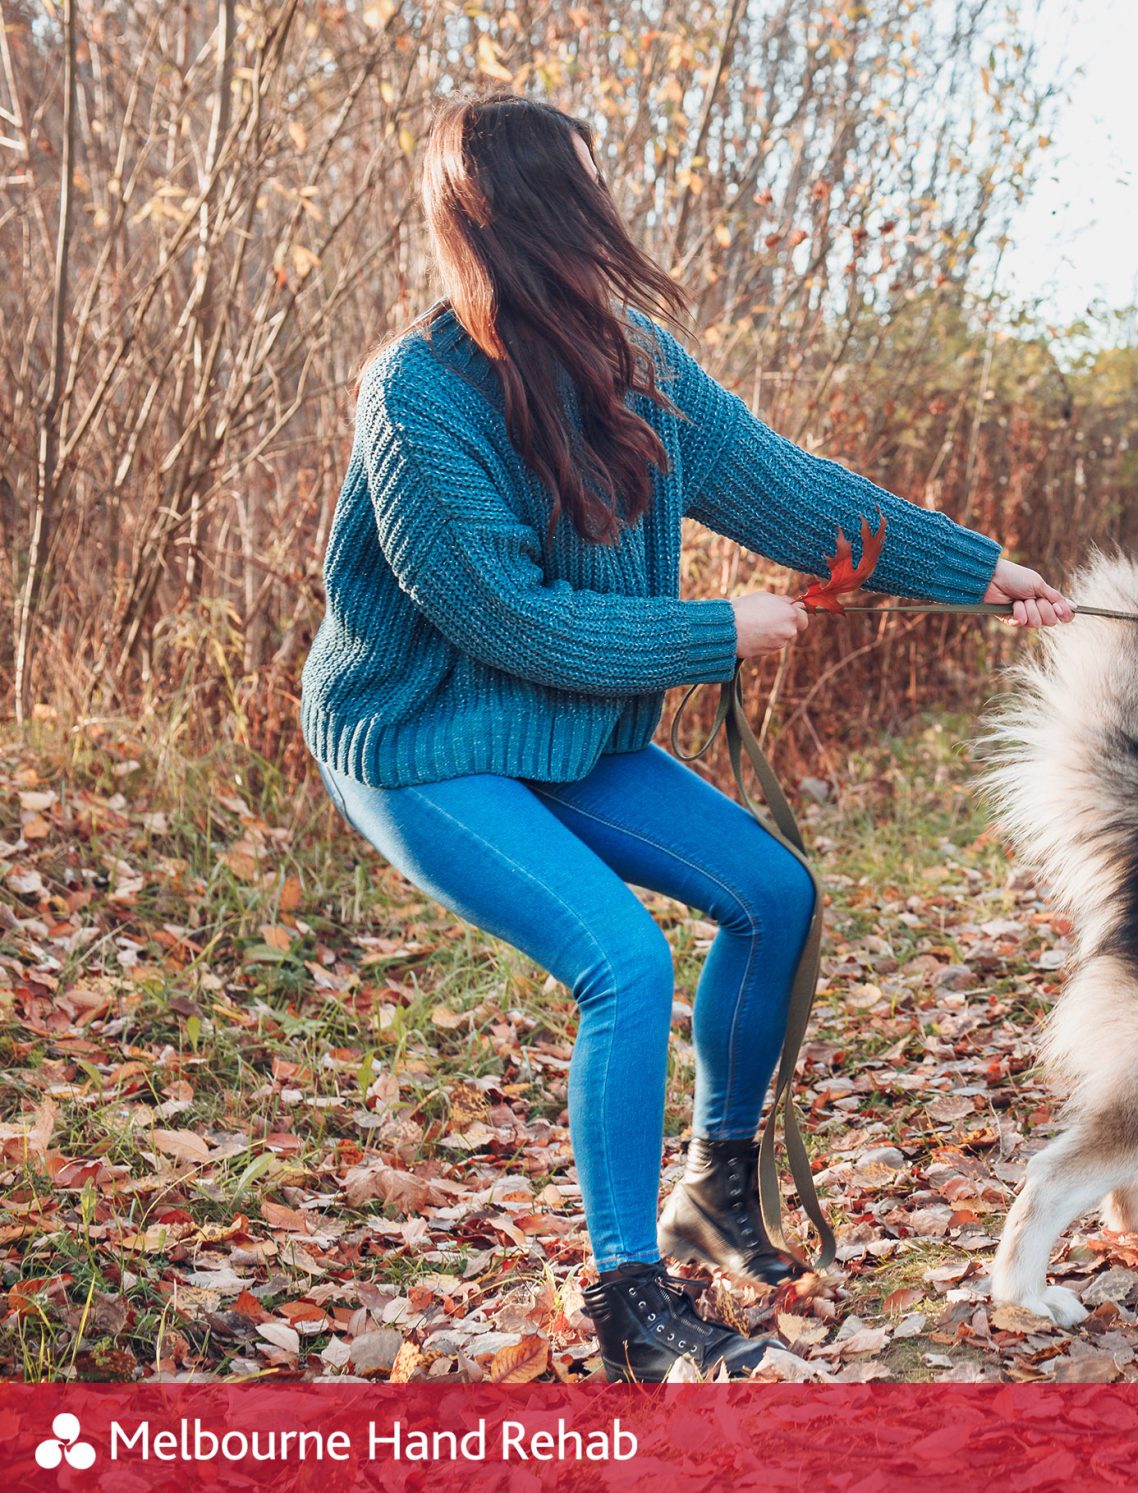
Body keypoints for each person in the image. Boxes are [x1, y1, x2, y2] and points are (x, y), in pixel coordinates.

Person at [298, 93, 1072, 1381]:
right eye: (583, 194)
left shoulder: (633, 361)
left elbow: (789, 489)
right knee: (623, 961)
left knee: (775, 893)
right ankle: (626, 1303)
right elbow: (510, 622)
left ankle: (716, 1188)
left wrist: (978, 570)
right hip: (426, 738)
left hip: (572, 729)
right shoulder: (418, 395)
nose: (607, 216)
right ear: (519, 219)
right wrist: (716, 629)